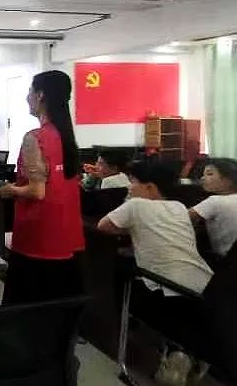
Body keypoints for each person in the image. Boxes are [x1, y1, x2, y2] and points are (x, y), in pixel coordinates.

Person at [98, 160, 213, 383]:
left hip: (165, 289)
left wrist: (131, 222)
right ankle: (188, 352)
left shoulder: (135, 206)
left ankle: (174, 352)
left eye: (133, 182)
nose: (129, 187)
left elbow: (104, 225)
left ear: (150, 187)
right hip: (206, 286)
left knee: (122, 274)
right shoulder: (179, 207)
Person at [0, 70, 85, 304]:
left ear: (40, 95)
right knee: (57, 308)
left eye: (30, 91)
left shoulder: (35, 137)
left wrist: (10, 190)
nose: (27, 97)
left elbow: (37, 191)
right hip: (65, 235)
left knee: (29, 308)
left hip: (38, 236)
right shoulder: (66, 137)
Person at [189, 158, 237, 257]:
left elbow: (180, 219)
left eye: (209, 174)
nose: (202, 178)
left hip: (228, 262)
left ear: (228, 180)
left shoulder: (215, 201)